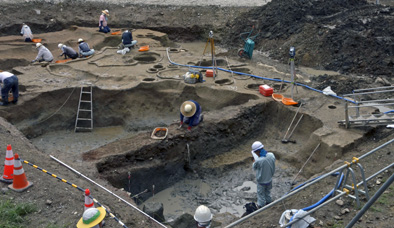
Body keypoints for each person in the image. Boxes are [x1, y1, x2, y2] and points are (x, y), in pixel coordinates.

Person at [251, 141, 276, 208]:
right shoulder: (271, 155)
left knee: (261, 194)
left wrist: (254, 161)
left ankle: (261, 206)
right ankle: (269, 202)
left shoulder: (258, 161)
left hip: (261, 181)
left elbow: (254, 167)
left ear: (257, 152)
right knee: (267, 192)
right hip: (269, 179)